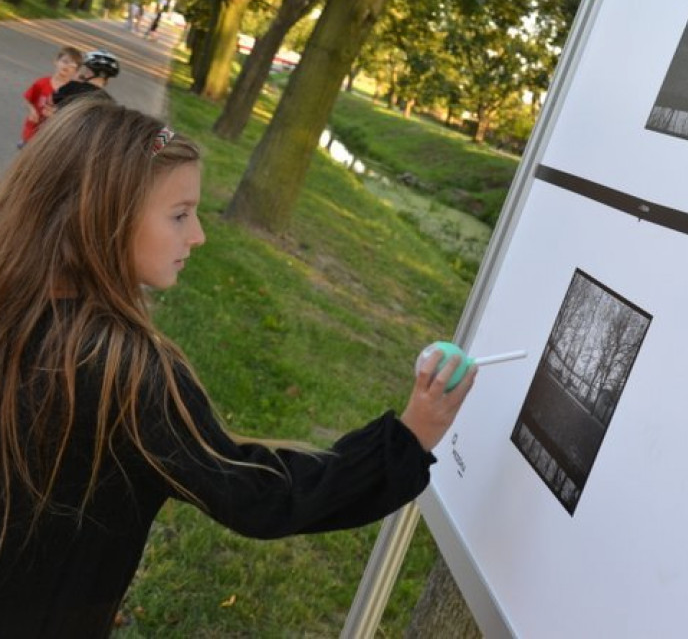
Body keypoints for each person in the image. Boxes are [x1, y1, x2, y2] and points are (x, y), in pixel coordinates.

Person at [0, 98, 475, 635]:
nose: (198, 235)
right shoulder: (124, 370)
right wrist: (407, 440)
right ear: (102, 214)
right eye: (179, 214)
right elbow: (258, 496)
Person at [19, 45, 82, 146]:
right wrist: (32, 110)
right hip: (31, 132)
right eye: (65, 61)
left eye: (72, 65)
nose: (67, 66)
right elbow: (28, 99)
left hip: (51, 137)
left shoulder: (72, 93)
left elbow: (71, 117)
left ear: (76, 72)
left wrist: (55, 116)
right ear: (56, 61)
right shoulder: (41, 83)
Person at [50, 49, 120, 109]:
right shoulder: (110, 103)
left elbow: (52, 102)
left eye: (86, 69)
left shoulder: (72, 87)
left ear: (90, 72)